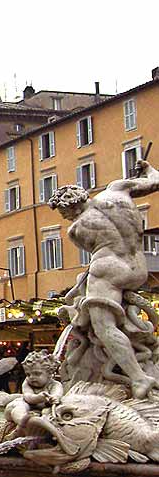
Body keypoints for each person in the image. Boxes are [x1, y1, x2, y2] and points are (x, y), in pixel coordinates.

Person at [48, 158, 159, 398]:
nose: (65, 217)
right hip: (138, 267)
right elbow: (155, 181)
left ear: (67, 209)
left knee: (103, 326)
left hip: (108, 270)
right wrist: (148, 169)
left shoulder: (75, 229)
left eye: (63, 212)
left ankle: (139, 377)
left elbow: (98, 251)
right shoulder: (117, 190)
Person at [5, 352, 64, 434]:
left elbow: (57, 394)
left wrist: (54, 398)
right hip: (27, 405)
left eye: (37, 374)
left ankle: (42, 424)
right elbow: (28, 397)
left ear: (50, 373)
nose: (32, 377)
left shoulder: (55, 385)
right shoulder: (27, 383)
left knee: (54, 410)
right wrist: (39, 397)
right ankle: (24, 422)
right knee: (19, 406)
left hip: (43, 409)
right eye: (28, 374)